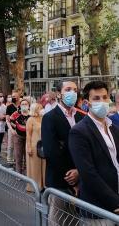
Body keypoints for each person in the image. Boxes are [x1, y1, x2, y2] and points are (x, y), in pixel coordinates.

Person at [69, 81, 119, 217]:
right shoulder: (79, 132)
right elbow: (88, 173)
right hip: (98, 207)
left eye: (104, 97)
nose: (102, 101)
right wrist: (115, 202)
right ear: (87, 102)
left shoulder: (114, 128)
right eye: (96, 98)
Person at [41, 81, 85, 225]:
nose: (72, 92)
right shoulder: (50, 118)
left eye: (75, 89)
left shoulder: (81, 117)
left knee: (75, 221)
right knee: (57, 220)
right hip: (59, 181)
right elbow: (51, 151)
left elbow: (85, 148)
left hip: (80, 179)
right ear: (59, 94)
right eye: (68, 89)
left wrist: (79, 172)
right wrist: (70, 176)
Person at [26, 103, 45, 191]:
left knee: (43, 165)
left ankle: (43, 184)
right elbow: (28, 135)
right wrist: (29, 147)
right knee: (35, 166)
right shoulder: (30, 119)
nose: (42, 109)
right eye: (40, 108)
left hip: (42, 145)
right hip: (33, 145)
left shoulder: (43, 118)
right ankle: (35, 186)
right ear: (36, 109)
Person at [10, 99, 30, 174]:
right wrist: (14, 129)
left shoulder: (31, 113)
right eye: (22, 104)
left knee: (27, 156)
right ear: (20, 106)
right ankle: (18, 173)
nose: (24, 105)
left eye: (26, 104)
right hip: (18, 137)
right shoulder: (16, 113)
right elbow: (10, 120)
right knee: (18, 156)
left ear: (28, 106)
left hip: (28, 137)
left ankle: (28, 173)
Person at [6, 91, 20, 164]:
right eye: (12, 96)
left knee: (18, 146)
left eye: (14, 96)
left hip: (20, 129)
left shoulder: (21, 106)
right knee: (10, 145)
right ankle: (10, 160)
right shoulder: (9, 107)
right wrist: (11, 129)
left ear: (18, 97)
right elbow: (7, 119)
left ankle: (17, 161)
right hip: (11, 128)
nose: (13, 98)